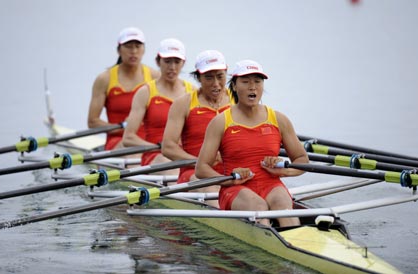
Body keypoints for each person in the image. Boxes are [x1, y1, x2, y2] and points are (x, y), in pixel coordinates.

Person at [195, 60, 309, 227]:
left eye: (257, 81)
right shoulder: (220, 122)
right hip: (235, 189)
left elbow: (302, 159)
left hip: (271, 184)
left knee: (282, 202)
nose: (252, 87)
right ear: (234, 86)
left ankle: (296, 241)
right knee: (258, 206)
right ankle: (270, 240)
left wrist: (284, 171)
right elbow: (201, 168)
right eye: (246, 81)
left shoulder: (279, 119)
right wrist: (228, 180)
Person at [162, 50, 233, 207]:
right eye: (208, 77)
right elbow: (168, 147)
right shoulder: (183, 104)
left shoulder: (238, 102)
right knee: (212, 185)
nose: (216, 83)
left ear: (226, 73)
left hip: (232, 171)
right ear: (198, 77)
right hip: (195, 173)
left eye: (220, 76)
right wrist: (200, 163)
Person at [122, 38, 195, 176]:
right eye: (167, 61)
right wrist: (160, 147)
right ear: (158, 61)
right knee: (167, 162)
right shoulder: (145, 92)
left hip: (186, 156)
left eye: (177, 62)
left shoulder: (192, 92)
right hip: (156, 156)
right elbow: (128, 138)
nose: (172, 67)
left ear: (183, 63)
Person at [87, 27, 160, 151]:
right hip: (119, 141)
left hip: (150, 142)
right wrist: (122, 127)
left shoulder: (155, 77)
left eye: (138, 46)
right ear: (119, 50)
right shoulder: (104, 79)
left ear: (144, 50)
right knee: (130, 149)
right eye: (128, 46)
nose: (134, 51)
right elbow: (93, 122)